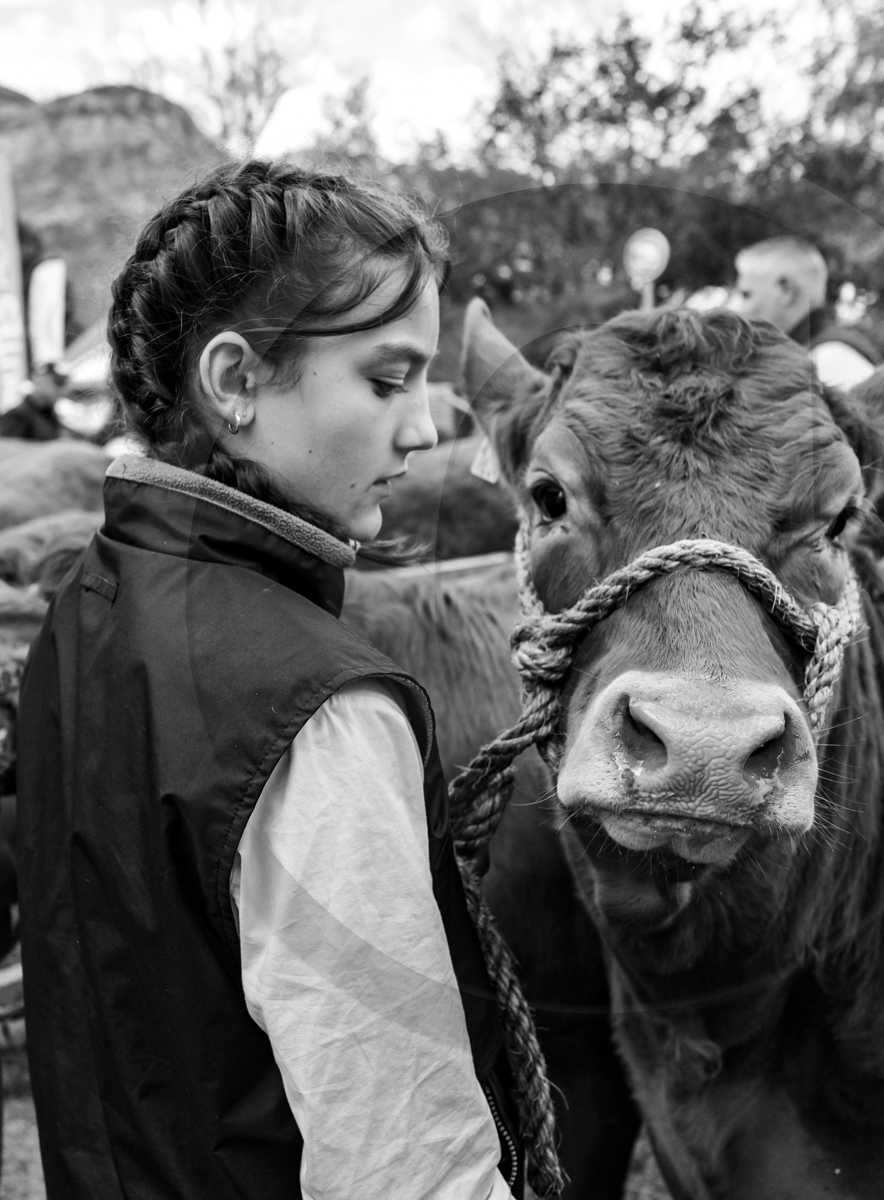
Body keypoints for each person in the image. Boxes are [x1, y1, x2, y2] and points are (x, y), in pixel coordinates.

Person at [16, 161, 532, 1200]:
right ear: (235, 382)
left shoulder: (83, 609)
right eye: (387, 380)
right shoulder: (317, 711)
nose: (427, 429)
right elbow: (404, 1161)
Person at [729, 236, 881, 388]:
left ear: (785, 290)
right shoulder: (809, 358)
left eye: (746, 295)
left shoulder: (830, 361)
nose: (735, 307)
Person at [0, 366, 63, 440]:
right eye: (57, 383)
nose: (60, 391)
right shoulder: (19, 415)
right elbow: (6, 447)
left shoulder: (46, 413)